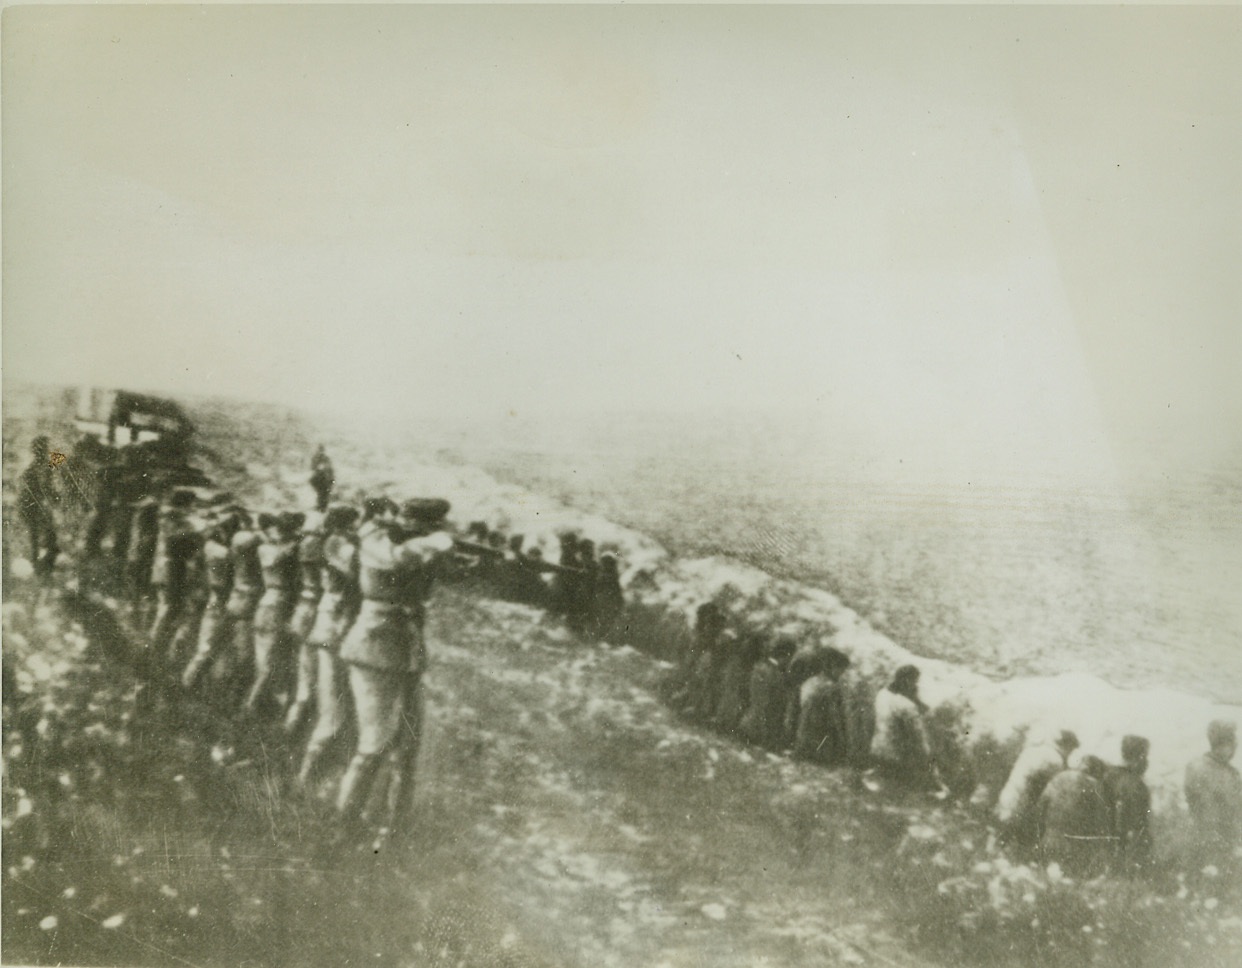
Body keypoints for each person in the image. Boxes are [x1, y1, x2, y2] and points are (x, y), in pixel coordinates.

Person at [334, 497, 454, 843]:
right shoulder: (375, 541)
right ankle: (344, 825)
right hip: (374, 649)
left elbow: (446, 572)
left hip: (406, 653)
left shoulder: (405, 543)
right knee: (372, 744)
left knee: (408, 746)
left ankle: (393, 829)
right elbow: (396, 558)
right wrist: (436, 540)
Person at [297, 504, 362, 790]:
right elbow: (352, 579)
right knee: (333, 711)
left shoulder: (328, 542)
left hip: (328, 623)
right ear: (344, 526)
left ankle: (308, 770)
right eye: (352, 525)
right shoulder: (338, 545)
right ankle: (307, 774)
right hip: (335, 627)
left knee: (330, 705)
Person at [243, 511, 304, 719]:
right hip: (279, 605)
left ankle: (258, 702)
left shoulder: (264, 548)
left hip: (265, 603)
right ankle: (252, 705)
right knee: (272, 661)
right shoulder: (289, 550)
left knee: (263, 658)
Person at [181, 508, 244, 694]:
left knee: (212, 647)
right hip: (219, 600)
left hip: (214, 598)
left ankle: (197, 685)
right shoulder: (220, 551)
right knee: (207, 648)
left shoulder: (209, 546)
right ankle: (187, 684)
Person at [147, 489, 204, 674]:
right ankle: (154, 652)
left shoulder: (168, 516)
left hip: (166, 567)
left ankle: (156, 649)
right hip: (172, 569)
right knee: (169, 608)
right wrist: (198, 532)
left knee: (167, 608)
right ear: (185, 504)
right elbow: (179, 539)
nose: (193, 508)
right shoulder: (175, 519)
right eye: (192, 504)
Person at [995, 729, 1080, 851]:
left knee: (998, 840)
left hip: (1008, 797)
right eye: (1071, 750)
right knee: (1011, 847)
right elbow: (1048, 791)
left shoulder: (1033, 749)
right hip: (1023, 806)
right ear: (1066, 746)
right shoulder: (1055, 760)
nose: (1069, 754)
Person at [283, 512, 327, 737]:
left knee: (303, 670)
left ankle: (292, 720)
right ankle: (295, 725)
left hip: (303, 609)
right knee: (310, 675)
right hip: (314, 611)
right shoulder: (317, 548)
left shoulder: (301, 546)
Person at [1037, 755, 1112, 878]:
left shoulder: (1059, 777)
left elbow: (1041, 804)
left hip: (1049, 841)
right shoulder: (1096, 786)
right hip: (1073, 848)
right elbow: (1100, 823)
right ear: (1097, 771)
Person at [1184, 719, 1242, 876]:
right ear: (1226, 744)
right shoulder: (1231, 775)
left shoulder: (1193, 767)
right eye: (1233, 742)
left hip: (1198, 841)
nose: (1236, 746)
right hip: (1219, 845)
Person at [868, 665, 938, 793]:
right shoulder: (906, 706)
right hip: (896, 760)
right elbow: (920, 741)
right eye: (915, 682)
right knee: (928, 748)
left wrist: (916, 700)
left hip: (876, 752)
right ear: (908, 682)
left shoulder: (882, 694)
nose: (916, 685)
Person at [792, 648, 852, 766]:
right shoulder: (831, 687)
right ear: (832, 667)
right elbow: (836, 717)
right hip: (819, 735)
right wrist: (843, 739)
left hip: (802, 732)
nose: (841, 674)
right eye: (840, 670)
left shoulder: (810, 681)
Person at [1102, 735, 1152, 875]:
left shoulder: (1107, 775)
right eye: (1145, 755)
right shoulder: (1137, 785)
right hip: (1126, 852)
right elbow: (1138, 827)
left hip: (1104, 846)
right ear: (1140, 757)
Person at [739, 635, 797, 750]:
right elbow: (767, 704)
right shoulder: (773, 673)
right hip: (759, 730)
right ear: (787, 654)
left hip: (749, 724)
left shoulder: (761, 667)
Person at [17, 436, 60, 580]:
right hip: (34, 505)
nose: (47, 450)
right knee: (42, 535)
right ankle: (41, 565)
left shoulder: (37, 466)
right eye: (44, 448)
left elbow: (59, 460)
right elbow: (46, 486)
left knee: (39, 536)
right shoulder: (37, 467)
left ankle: (40, 563)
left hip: (34, 505)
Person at [713, 631, 763, 736]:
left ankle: (724, 722)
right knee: (732, 697)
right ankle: (725, 723)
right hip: (738, 673)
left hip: (737, 672)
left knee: (730, 697)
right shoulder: (748, 649)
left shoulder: (742, 647)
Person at [592, 553, 625, 642]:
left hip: (607, 601)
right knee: (607, 621)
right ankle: (603, 638)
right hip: (609, 601)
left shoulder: (606, 576)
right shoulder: (613, 576)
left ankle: (601, 638)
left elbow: (598, 587)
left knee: (605, 621)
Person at [309, 445, 335, 513]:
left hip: (327, 479)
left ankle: (323, 507)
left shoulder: (326, 458)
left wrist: (332, 480)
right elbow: (312, 467)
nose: (320, 452)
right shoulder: (316, 458)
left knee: (325, 493)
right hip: (320, 479)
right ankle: (320, 506)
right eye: (319, 450)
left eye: (321, 450)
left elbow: (330, 469)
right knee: (321, 493)